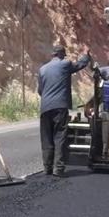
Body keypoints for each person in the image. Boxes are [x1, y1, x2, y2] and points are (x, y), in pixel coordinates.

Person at [37, 45, 90, 176]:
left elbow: (40, 91)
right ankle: (58, 168)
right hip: (60, 106)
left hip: (45, 107)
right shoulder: (65, 64)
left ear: (52, 55)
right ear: (61, 55)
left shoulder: (42, 69)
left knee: (46, 138)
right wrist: (86, 55)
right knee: (59, 136)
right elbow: (79, 65)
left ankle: (47, 168)